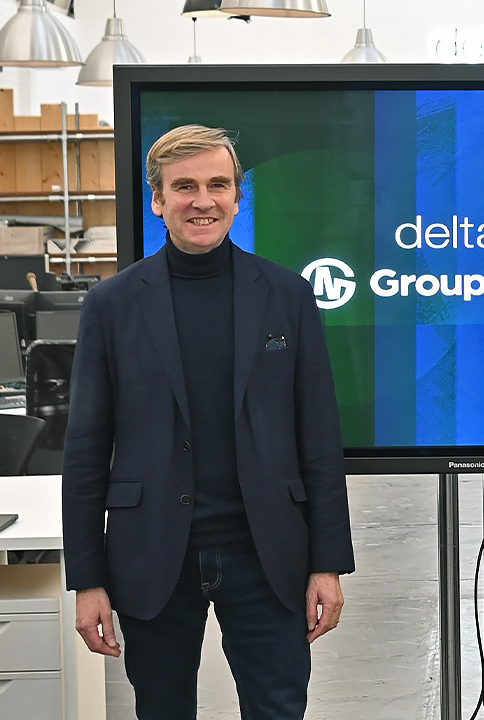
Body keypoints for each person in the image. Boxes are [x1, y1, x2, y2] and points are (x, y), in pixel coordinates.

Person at [63, 124, 354, 720]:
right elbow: (86, 450)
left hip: (267, 554)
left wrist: (327, 563)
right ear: (157, 200)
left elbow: (319, 439)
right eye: (184, 187)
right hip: (152, 556)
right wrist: (87, 580)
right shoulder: (112, 305)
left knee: (277, 709)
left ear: (237, 196)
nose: (203, 201)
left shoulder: (288, 295)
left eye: (218, 185)